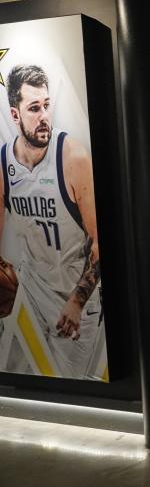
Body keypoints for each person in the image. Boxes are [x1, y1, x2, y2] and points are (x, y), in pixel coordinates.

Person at [0, 64, 104, 380]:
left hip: (74, 300)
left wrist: (76, 301)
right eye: (34, 108)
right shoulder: (4, 163)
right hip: (31, 290)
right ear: (15, 115)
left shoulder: (72, 157)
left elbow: (101, 243)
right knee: (15, 379)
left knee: (69, 388)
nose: (44, 115)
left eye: (47, 105)